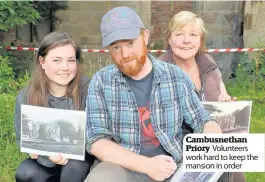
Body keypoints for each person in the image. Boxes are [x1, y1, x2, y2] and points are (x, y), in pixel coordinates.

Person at [85, 7, 222, 182]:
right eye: (116, 47)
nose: (125, 54)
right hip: (124, 168)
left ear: (145, 37)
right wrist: (147, 166)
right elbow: (97, 142)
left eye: (130, 43)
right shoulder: (101, 81)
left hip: (173, 168)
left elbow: (203, 121)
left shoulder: (175, 76)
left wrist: (211, 137)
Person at [159, 11, 246, 182]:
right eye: (179, 34)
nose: (186, 40)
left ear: (200, 40)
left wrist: (227, 103)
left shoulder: (208, 63)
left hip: (214, 141)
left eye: (193, 35)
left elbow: (223, 95)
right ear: (169, 39)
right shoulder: (160, 70)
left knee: (235, 174)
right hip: (177, 148)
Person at [14, 32, 95, 182]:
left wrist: (67, 153)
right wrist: (44, 154)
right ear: (42, 61)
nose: (65, 67)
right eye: (57, 60)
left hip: (82, 160)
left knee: (74, 168)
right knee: (25, 173)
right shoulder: (26, 96)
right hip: (46, 160)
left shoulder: (89, 90)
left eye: (71, 60)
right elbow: (23, 138)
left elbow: (96, 137)